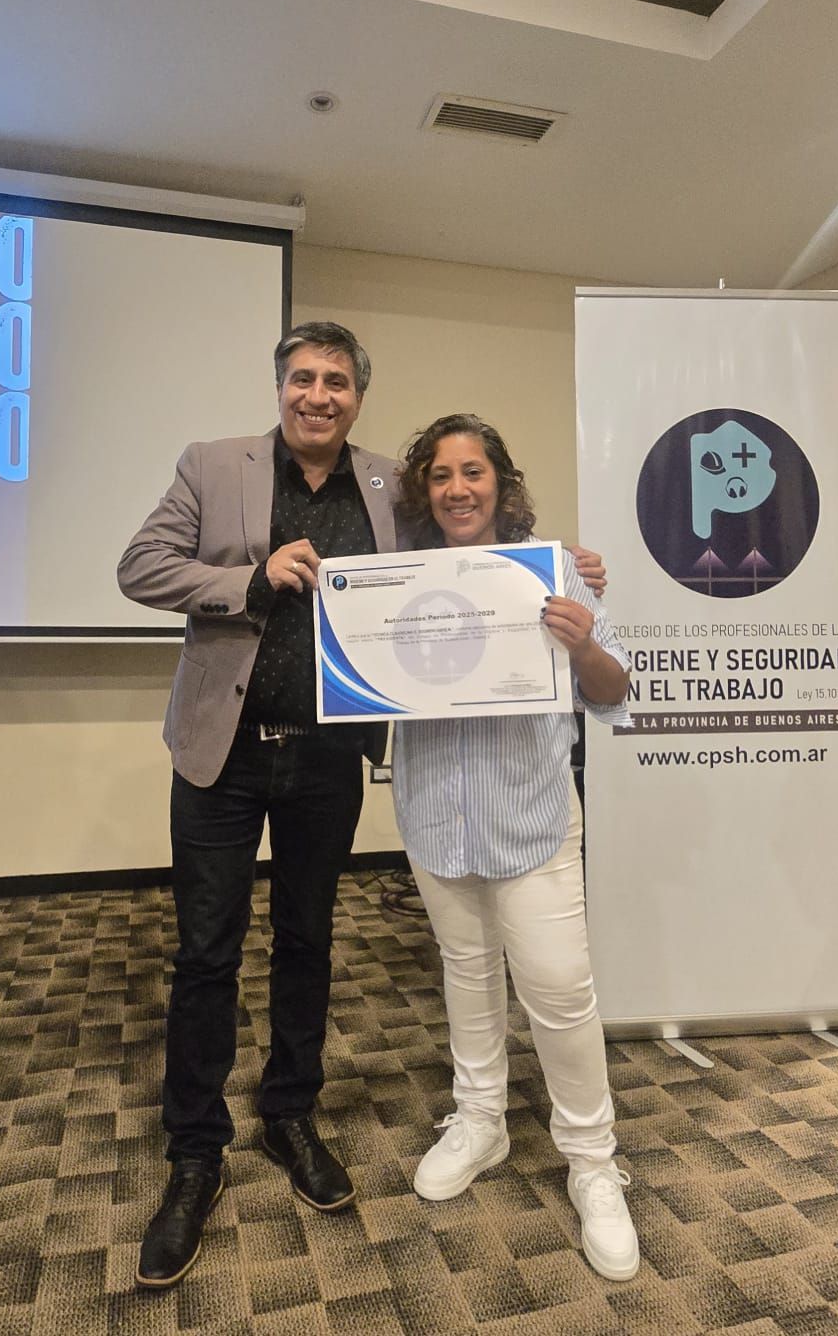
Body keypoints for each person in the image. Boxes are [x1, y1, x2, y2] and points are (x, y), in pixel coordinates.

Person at [119, 325, 606, 1290]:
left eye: (337, 381)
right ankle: (196, 1152)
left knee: (308, 939)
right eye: (303, 378)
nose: (319, 395)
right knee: (207, 952)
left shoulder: (392, 487)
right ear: (280, 387)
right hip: (222, 755)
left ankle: (290, 1115)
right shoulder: (212, 465)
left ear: (357, 396)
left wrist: (565, 569)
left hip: (329, 757)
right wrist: (249, 579)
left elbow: (470, 557)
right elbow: (140, 569)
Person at [390, 413, 640, 1282]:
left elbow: (614, 692)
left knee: (560, 991)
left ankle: (593, 1163)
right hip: (434, 813)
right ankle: (480, 1120)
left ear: (501, 483)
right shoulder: (398, 578)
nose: (458, 489)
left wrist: (582, 642)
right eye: (440, 476)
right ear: (424, 490)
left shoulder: (556, 570)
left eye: (473, 472)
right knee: (467, 970)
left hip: (532, 815)